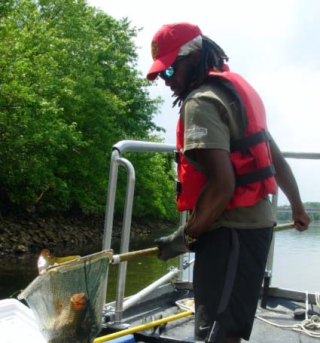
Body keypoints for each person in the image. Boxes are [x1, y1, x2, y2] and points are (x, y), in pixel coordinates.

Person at [147, 23, 311, 343]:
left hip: (230, 231)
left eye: (170, 72)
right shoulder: (235, 94)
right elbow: (276, 159)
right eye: (161, 76)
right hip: (254, 227)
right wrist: (298, 208)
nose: (167, 82)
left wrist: (183, 237)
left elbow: (223, 186)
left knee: (218, 332)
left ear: (193, 58)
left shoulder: (200, 102)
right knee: (227, 327)